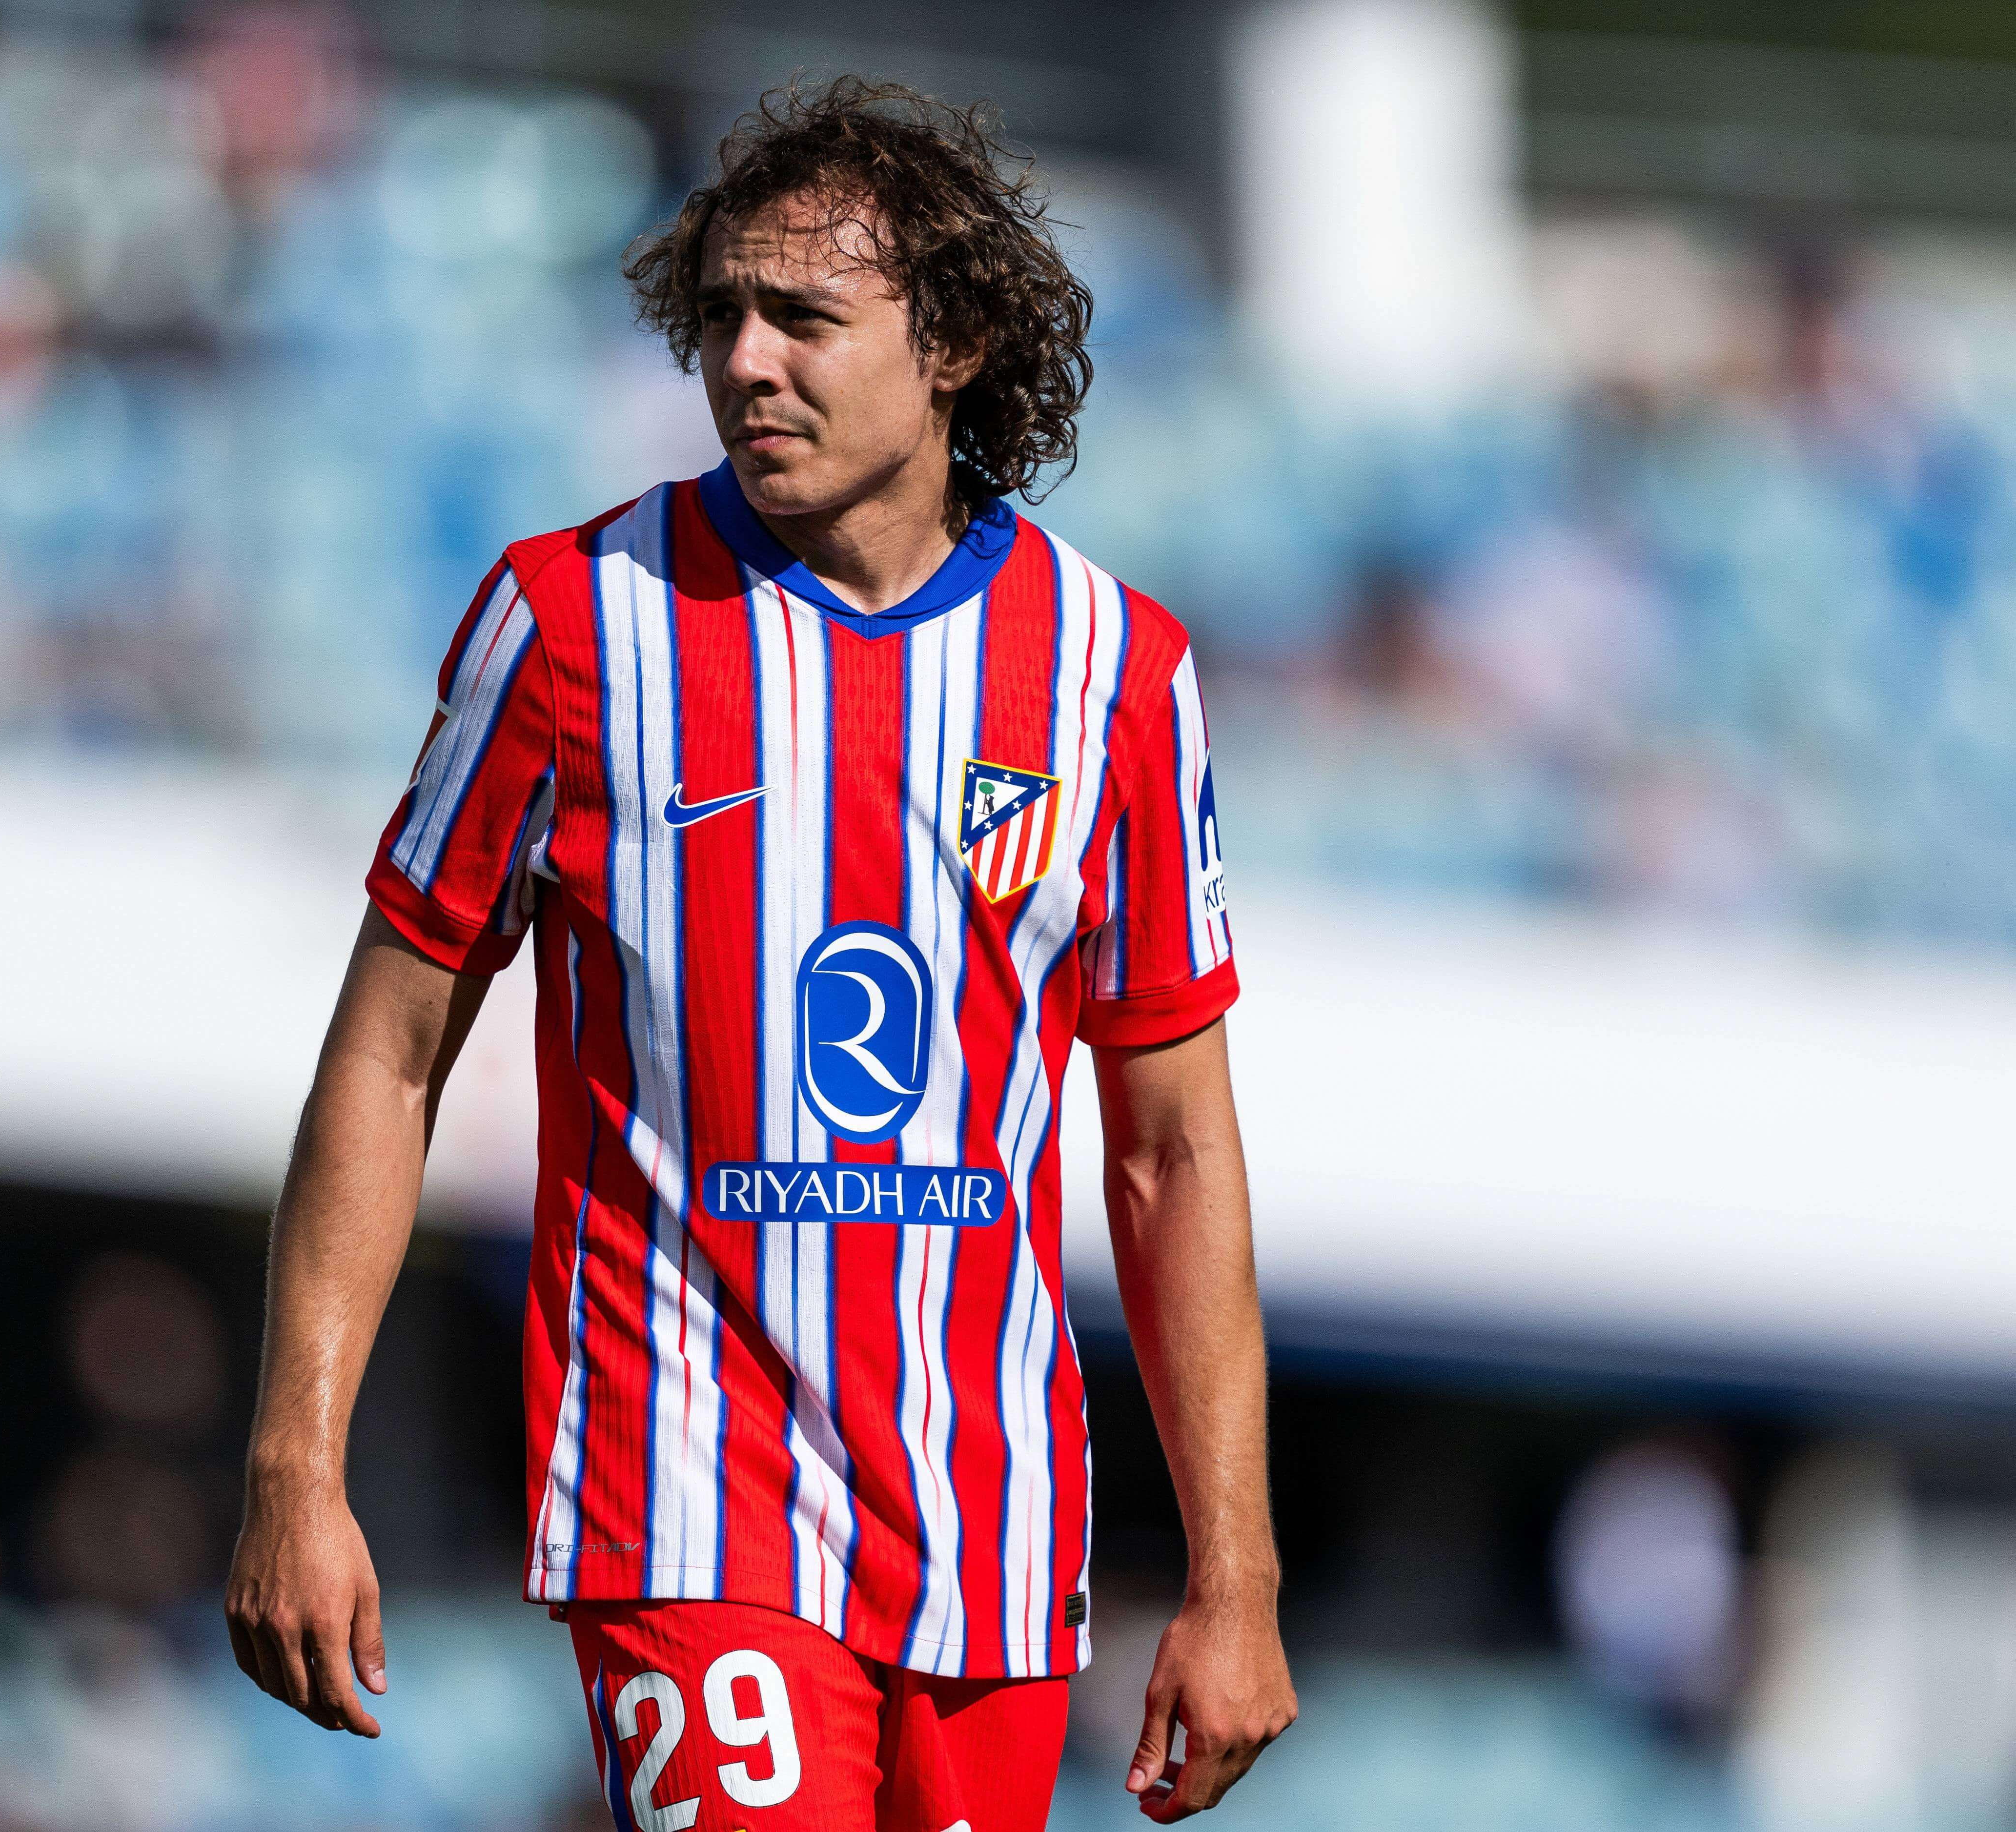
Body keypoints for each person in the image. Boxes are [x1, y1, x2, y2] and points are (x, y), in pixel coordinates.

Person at [226, 78, 1295, 1830]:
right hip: (686, 1500)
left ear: (948, 342)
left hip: (990, 1542)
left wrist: (1235, 1576)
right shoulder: (570, 622)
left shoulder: (1113, 672)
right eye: (720, 314)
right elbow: (387, 1048)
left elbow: (1173, 1148)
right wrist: (294, 1457)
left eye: (803, 318)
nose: (744, 362)